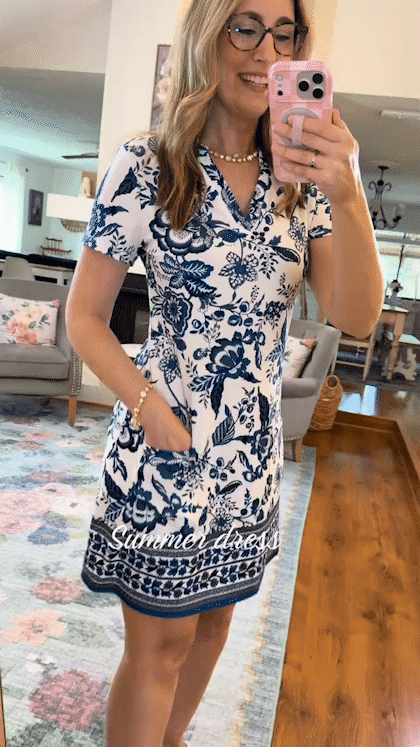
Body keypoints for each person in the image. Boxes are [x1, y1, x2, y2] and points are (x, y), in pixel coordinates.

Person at [66, 0, 385, 745]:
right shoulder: (147, 164)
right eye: (245, 26)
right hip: (165, 448)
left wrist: (349, 192)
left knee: (212, 627)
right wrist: (148, 407)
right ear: (208, 35)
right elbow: (84, 315)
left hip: (249, 458)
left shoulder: (304, 181)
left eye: (285, 33)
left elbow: (357, 314)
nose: (266, 51)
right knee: (160, 644)